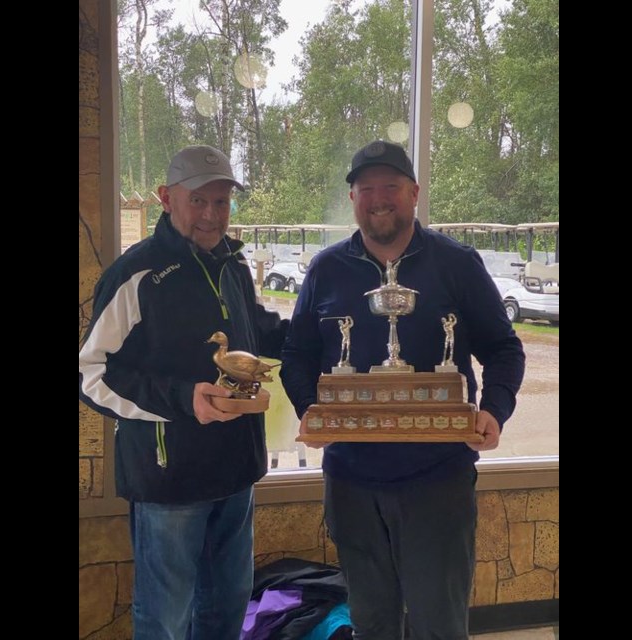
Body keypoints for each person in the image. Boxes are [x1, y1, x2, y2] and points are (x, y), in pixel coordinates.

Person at [280, 140, 525, 639]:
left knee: (438, 623)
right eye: (365, 188)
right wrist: (311, 410)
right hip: (350, 482)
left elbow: (504, 348)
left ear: (414, 193)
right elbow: (297, 356)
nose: (378, 198)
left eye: (390, 186)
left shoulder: (456, 263)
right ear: (353, 199)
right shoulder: (327, 269)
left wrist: (494, 411)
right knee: (371, 623)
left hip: (437, 481)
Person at [79, 145, 288, 640]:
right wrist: (182, 398)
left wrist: (330, 332)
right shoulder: (137, 274)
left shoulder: (233, 266)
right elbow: (90, 373)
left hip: (236, 473)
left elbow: (258, 334)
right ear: (166, 198)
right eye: (199, 201)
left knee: (227, 608)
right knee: (165, 618)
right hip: (168, 486)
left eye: (222, 203)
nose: (212, 215)